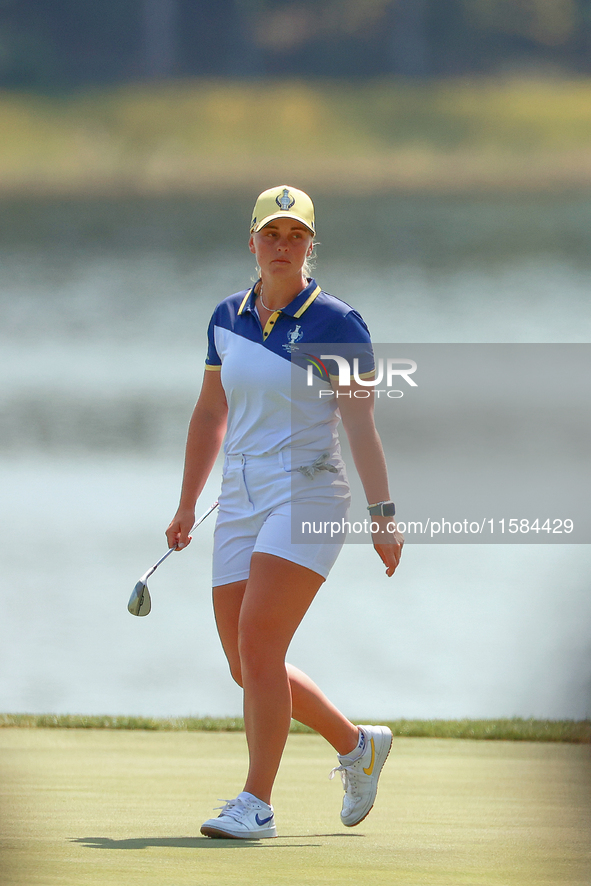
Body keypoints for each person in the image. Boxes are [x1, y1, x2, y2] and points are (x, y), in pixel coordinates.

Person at [166, 185, 404, 840]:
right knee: (247, 665)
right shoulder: (225, 316)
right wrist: (187, 501)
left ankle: (256, 802)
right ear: (251, 243)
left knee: (260, 644)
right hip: (239, 498)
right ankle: (357, 746)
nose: (281, 246)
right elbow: (211, 413)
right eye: (270, 234)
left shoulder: (336, 323)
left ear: (308, 246)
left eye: (293, 235)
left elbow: (361, 426)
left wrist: (382, 514)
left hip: (309, 493)